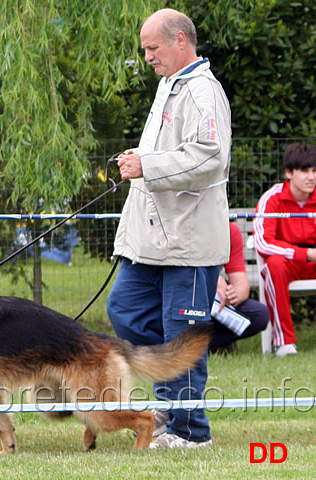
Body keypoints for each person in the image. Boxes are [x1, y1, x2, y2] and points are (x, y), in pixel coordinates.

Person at [106, 9, 231, 449]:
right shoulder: (170, 86)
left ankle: (189, 432)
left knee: (183, 338)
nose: (147, 57)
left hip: (189, 244)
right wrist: (137, 159)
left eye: (152, 48)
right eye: (145, 49)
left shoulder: (203, 92)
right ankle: (171, 403)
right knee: (125, 309)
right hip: (153, 243)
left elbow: (211, 155)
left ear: (181, 40)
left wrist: (149, 165)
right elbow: (168, 152)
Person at [254, 141, 316, 357]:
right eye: (304, 171)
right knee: (274, 265)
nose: (311, 177)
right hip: (288, 263)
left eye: (314, 170)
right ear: (289, 172)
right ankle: (284, 343)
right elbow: (263, 243)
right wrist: (305, 254)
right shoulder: (271, 198)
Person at [210, 222, 269, 352]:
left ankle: (207, 346)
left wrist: (233, 294)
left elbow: (241, 282)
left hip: (216, 304)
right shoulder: (187, 226)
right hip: (186, 296)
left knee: (260, 315)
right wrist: (212, 280)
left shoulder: (230, 230)